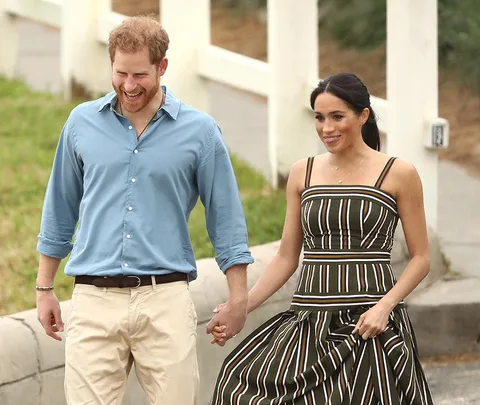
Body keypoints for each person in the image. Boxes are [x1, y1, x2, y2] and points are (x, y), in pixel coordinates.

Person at [35, 15, 253, 405]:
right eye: (121, 74)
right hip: (93, 297)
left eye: (140, 75)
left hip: (164, 298)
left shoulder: (200, 131)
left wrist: (239, 299)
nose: (129, 86)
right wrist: (44, 288)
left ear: (162, 66)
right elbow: (59, 209)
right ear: (111, 65)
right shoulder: (81, 123)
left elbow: (227, 219)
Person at [209, 73, 434, 404]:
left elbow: (421, 257)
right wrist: (240, 306)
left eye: (337, 117)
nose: (326, 128)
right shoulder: (304, 172)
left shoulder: (399, 173)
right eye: (319, 117)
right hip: (309, 324)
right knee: (236, 382)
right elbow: (287, 257)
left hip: (367, 324)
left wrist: (384, 307)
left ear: (363, 115)